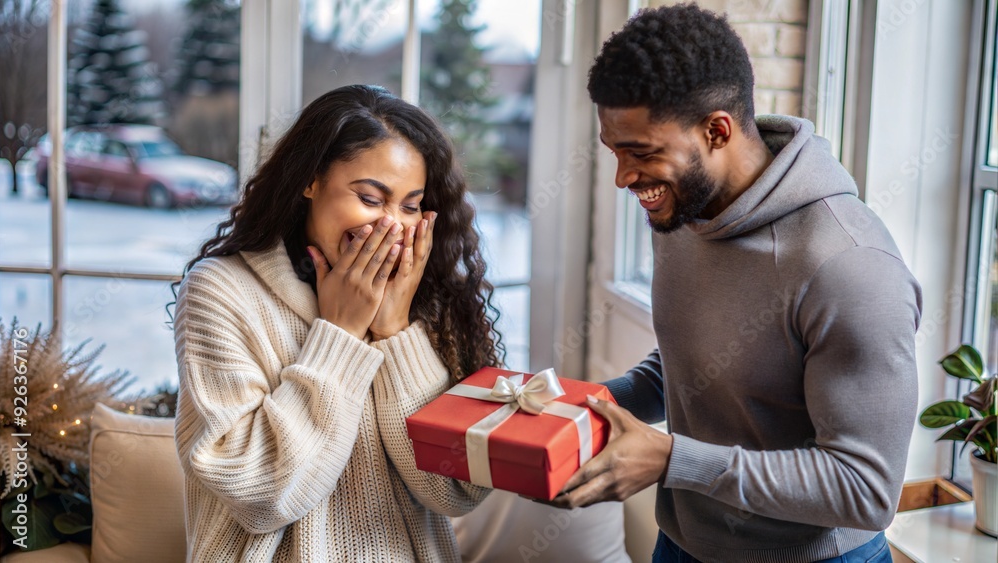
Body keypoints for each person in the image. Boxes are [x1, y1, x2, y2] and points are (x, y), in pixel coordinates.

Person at [552, 5, 921, 563]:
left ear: (717, 130)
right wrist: (593, 407)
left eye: (642, 154)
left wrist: (673, 460)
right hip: (681, 544)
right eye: (615, 151)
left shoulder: (850, 264)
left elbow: (865, 489)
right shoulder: (682, 209)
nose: (624, 177)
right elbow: (703, 359)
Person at [171, 84, 502, 562]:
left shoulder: (420, 294)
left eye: (410, 206)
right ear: (311, 180)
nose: (392, 226)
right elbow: (261, 495)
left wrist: (395, 331)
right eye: (371, 198)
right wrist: (343, 335)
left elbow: (455, 491)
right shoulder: (221, 291)